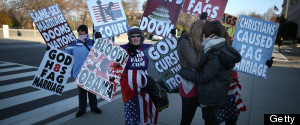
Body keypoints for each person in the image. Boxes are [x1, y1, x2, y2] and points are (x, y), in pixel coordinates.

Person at [179, 20, 241, 125]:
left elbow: (204, 76)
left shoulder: (214, 51)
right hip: (214, 93)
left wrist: (183, 72)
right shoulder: (220, 46)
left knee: (211, 121)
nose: (203, 34)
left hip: (210, 95)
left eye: (204, 31)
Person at [120, 26, 158, 125]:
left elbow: (163, 48)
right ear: (129, 38)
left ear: (141, 37)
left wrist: (171, 36)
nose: (136, 38)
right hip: (128, 85)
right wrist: (100, 39)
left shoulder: (146, 47)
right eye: (133, 36)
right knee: (130, 108)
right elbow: (108, 52)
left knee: (148, 106)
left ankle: (145, 122)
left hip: (144, 84)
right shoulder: (123, 48)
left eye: (138, 36)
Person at [64, 24, 102, 117]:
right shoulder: (73, 43)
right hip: (79, 71)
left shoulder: (92, 42)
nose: (80, 32)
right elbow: (65, 53)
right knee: (82, 92)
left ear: (86, 32)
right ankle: (82, 109)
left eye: (82, 30)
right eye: (78, 30)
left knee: (92, 91)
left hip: (91, 71)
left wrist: (100, 39)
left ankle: (94, 107)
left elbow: (101, 50)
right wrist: (52, 50)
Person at [177, 20, 206, 125]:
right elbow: (196, 63)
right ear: (198, 29)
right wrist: (204, 46)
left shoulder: (196, 41)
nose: (205, 33)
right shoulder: (185, 41)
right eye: (204, 30)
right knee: (186, 119)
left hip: (199, 84)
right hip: (189, 86)